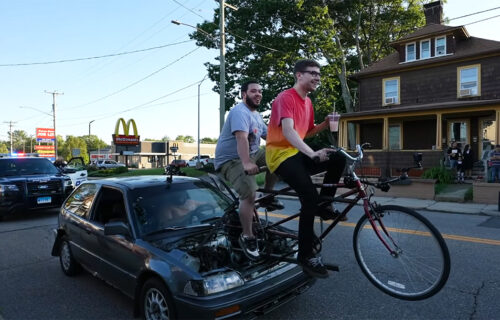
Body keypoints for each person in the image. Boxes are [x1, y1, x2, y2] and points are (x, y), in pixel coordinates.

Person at [266, 59, 347, 278]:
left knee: (337, 157)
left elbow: (306, 131)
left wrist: (324, 124)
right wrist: (312, 153)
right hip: (280, 155)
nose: (317, 78)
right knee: (309, 196)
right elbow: (290, 132)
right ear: (298, 75)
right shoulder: (286, 97)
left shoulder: (308, 102)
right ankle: (305, 256)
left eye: (319, 74)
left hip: (298, 152)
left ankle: (325, 205)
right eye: (312, 73)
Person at [215, 80, 283, 261]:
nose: (258, 94)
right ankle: (247, 236)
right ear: (244, 94)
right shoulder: (239, 112)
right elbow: (241, 139)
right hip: (231, 159)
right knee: (250, 194)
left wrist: (297, 143)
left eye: (260, 91)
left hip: (252, 154)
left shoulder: (257, 115)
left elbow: (270, 137)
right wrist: (246, 163)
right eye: (253, 91)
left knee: (280, 158)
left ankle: (268, 195)